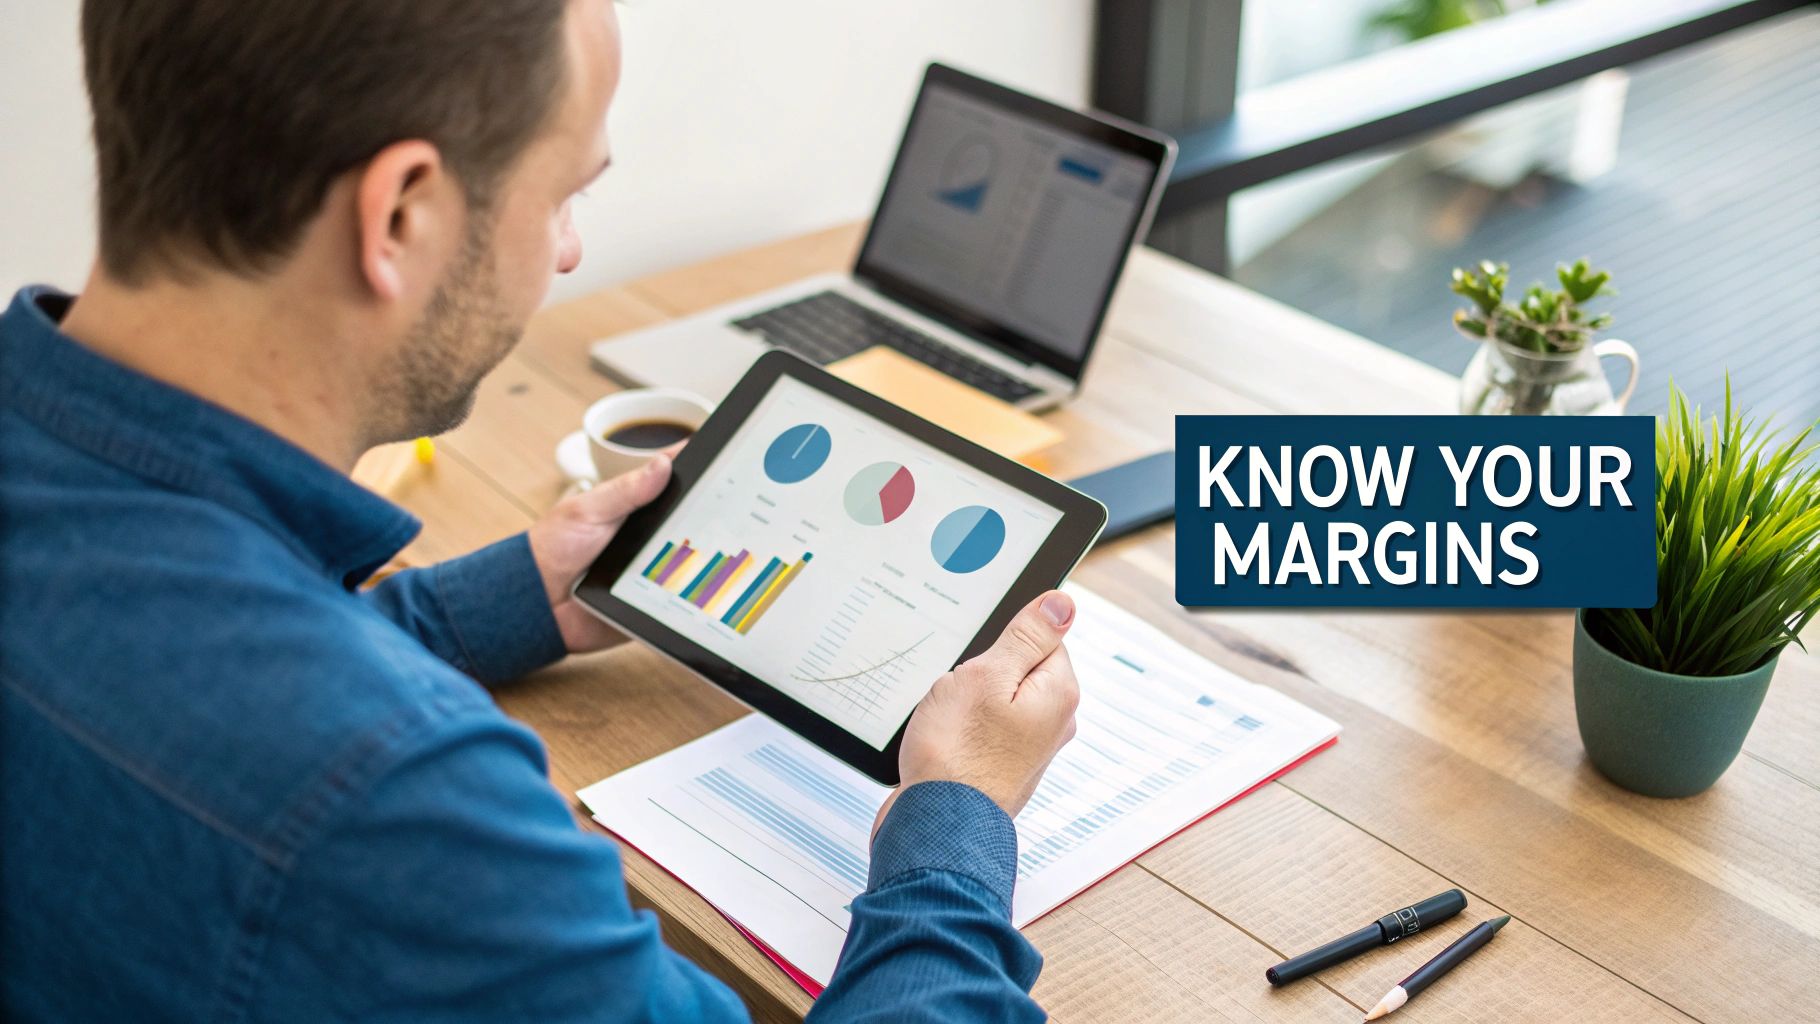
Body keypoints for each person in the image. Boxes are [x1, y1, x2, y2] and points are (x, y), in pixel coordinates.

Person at [0, 1, 1083, 1020]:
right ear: (402, 215)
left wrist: (507, 598)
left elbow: (178, 672)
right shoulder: (397, 804)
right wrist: (957, 824)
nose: (567, 250)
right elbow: (289, 749)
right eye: (565, 192)